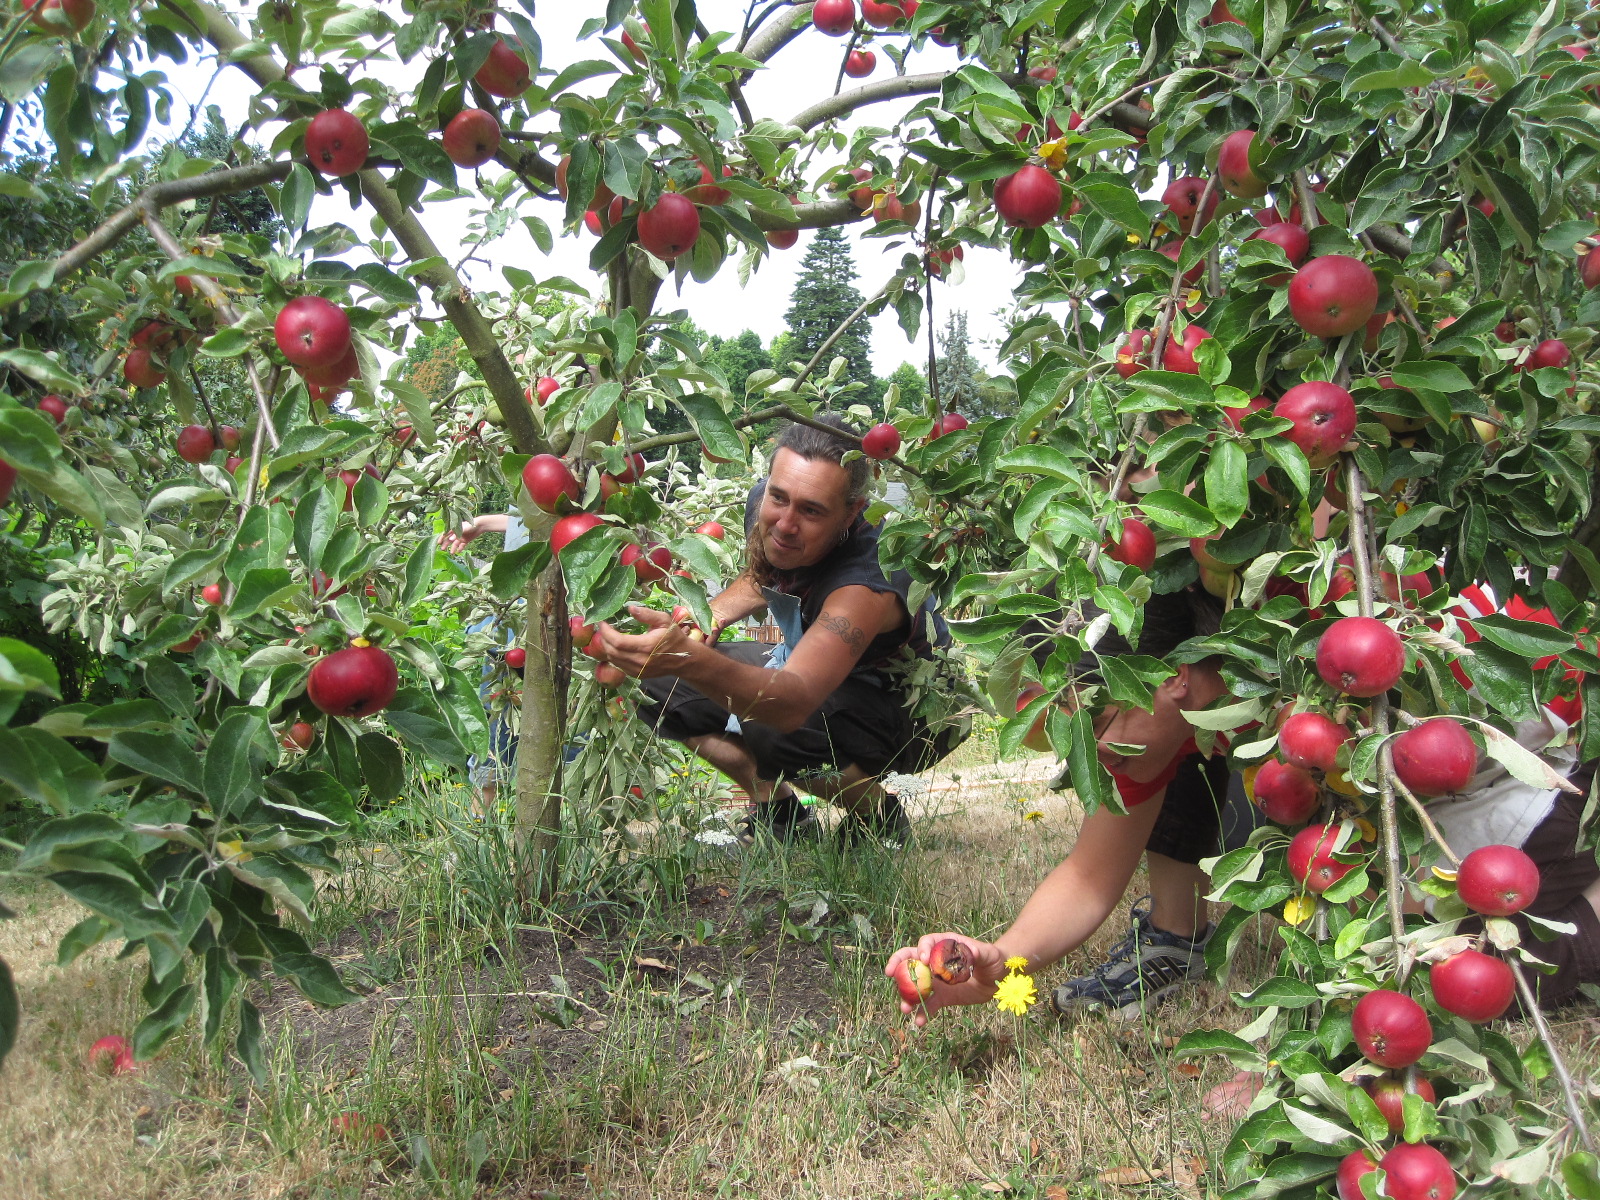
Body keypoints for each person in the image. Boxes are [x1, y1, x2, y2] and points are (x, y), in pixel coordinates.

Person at [885, 583, 1600, 1036]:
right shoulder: (1149, 736)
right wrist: (1001, 960)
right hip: (1420, 783)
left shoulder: (1333, 661)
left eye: (1093, 727)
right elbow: (1087, 875)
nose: (1085, 757)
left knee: (1483, 983)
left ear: (1171, 681)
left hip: (1545, 757)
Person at [589, 416, 962, 845]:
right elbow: (764, 574)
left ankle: (879, 815)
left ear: (852, 511)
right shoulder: (766, 510)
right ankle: (780, 811)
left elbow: (792, 700)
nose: (785, 524)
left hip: (914, 714)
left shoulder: (866, 579)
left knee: (768, 712)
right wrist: (705, 618)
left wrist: (693, 660)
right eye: (778, 497)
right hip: (830, 687)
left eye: (811, 510)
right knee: (658, 684)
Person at [440, 512, 527, 813]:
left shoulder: (591, 475)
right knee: (495, 732)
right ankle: (482, 840)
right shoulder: (541, 474)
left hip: (560, 621)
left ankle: (576, 838)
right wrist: (483, 523)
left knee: (572, 734)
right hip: (511, 623)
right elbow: (532, 520)